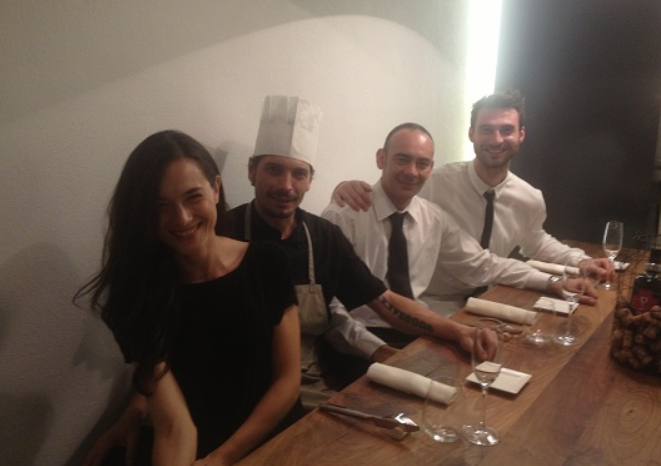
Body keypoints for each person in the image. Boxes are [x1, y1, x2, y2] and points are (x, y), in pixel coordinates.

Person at [75, 130, 303, 465]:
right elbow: (174, 426)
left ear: (215, 189)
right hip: (198, 440)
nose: (181, 218)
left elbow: (288, 380)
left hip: (271, 436)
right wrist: (136, 412)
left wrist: (221, 458)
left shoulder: (267, 262)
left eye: (193, 196)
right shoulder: (139, 294)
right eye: (160, 206)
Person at [332, 90, 612, 314]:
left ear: (521, 135)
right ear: (471, 133)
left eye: (506, 130)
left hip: (491, 296)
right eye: (487, 129)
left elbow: (533, 242)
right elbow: (390, 195)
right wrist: (346, 187)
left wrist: (580, 261)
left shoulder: (529, 197)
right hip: (431, 301)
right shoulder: (433, 182)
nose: (496, 139)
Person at [322, 122, 596, 341]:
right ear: (381, 158)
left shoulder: (433, 217)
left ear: (430, 167)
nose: (412, 172)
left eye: (422, 163)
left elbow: (484, 263)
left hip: (423, 325)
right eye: (402, 159)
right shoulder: (345, 215)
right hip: (363, 336)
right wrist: (376, 351)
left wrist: (553, 281)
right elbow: (329, 306)